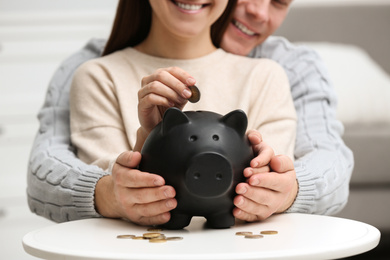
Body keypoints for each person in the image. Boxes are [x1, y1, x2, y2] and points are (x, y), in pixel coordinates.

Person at [27, 0, 353, 224]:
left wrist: (280, 188)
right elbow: (112, 190)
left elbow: (281, 181)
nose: (258, 10)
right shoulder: (94, 74)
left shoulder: (271, 73)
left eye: (279, 1)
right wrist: (146, 140)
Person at [69, 0, 296, 226]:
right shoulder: (98, 77)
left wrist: (269, 178)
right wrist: (149, 139)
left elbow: (277, 185)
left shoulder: (266, 77)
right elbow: (100, 187)